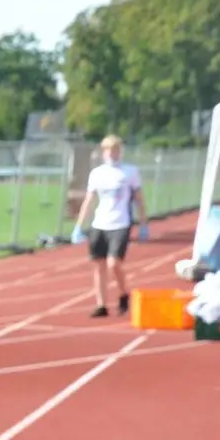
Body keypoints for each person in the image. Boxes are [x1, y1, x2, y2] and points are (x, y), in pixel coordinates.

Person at [73, 134, 147, 318]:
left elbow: (139, 199)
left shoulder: (130, 172)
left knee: (114, 263)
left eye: (116, 150)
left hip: (120, 223)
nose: (113, 153)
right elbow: (89, 200)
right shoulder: (97, 173)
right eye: (109, 150)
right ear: (104, 152)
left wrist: (144, 223)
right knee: (99, 265)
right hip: (100, 223)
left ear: (120, 151)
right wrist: (79, 225)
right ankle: (101, 305)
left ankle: (123, 294)